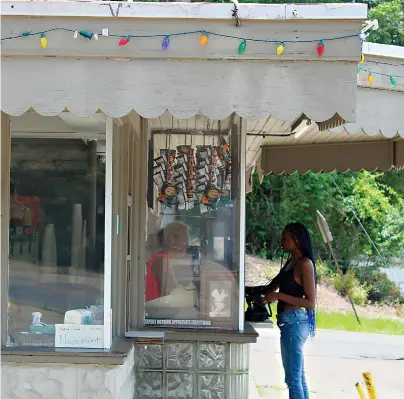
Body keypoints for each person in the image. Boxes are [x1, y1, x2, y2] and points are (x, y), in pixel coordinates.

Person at [261, 222, 316, 399]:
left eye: (284, 239)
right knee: (298, 377)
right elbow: (271, 286)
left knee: (293, 380)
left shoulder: (305, 264)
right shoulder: (290, 263)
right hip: (288, 322)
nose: (281, 242)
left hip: (295, 322)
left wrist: (278, 297)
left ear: (297, 240)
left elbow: (310, 302)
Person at [145, 221, 189, 301]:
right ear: (173, 240)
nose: (187, 245)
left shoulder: (161, 259)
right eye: (185, 240)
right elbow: (169, 296)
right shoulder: (161, 261)